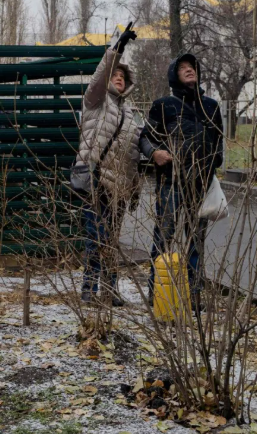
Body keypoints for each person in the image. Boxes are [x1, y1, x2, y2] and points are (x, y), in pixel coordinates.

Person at [139, 54, 223, 307]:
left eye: (192, 67)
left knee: (196, 240)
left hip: (201, 184)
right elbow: (145, 138)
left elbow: (219, 140)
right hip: (170, 183)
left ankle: (194, 294)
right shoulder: (163, 105)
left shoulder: (211, 106)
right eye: (183, 68)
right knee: (164, 236)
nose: (189, 71)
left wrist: (214, 161)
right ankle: (158, 290)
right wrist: (154, 153)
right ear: (174, 75)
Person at [75, 27, 143, 306]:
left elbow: (135, 150)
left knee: (112, 242)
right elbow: (98, 79)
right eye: (115, 75)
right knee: (97, 238)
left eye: (122, 77)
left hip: (119, 188)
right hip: (96, 181)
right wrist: (116, 51)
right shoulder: (95, 102)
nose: (118, 78)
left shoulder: (131, 113)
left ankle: (110, 291)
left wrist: (135, 188)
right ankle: (90, 290)